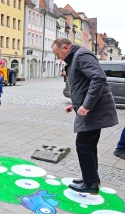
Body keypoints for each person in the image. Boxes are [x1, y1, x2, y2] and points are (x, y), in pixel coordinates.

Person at [52, 38, 118, 194]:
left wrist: (86, 105)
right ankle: (91, 178)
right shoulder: (75, 58)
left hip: (94, 110)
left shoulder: (81, 55)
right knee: (88, 145)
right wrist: (75, 104)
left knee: (83, 144)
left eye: (57, 54)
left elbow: (98, 78)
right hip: (91, 109)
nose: (58, 58)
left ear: (66, 48)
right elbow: (83, 84)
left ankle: (91, 183)